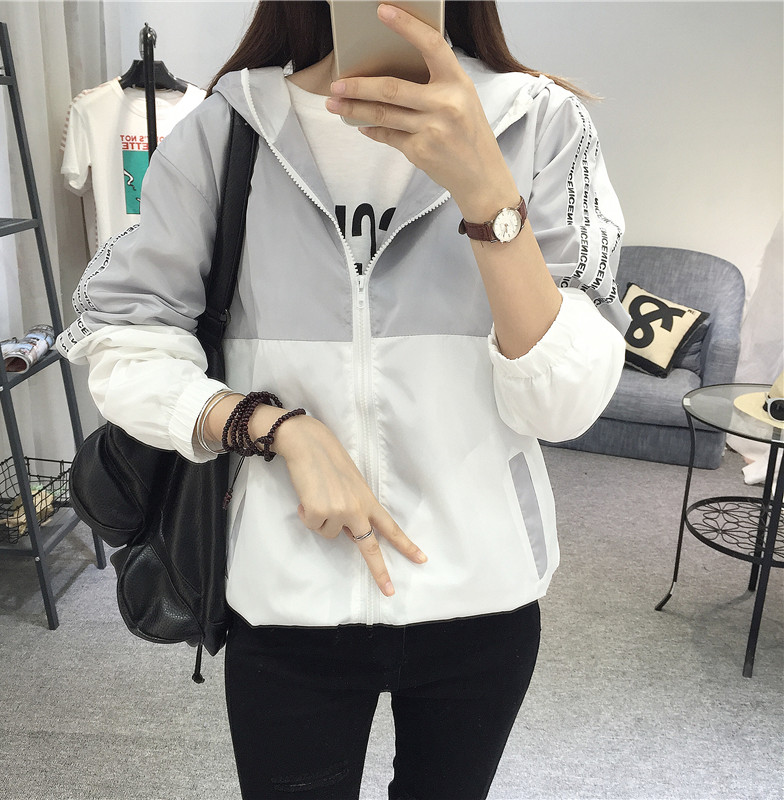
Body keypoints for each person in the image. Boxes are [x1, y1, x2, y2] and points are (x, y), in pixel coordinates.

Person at [58, 2, 628, 797]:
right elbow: (121, 339)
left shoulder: (540, 123)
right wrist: (269, 426)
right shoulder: (227, 130)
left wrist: (486, 193)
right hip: (285, 595)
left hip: (482, 594)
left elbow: (563, 406)